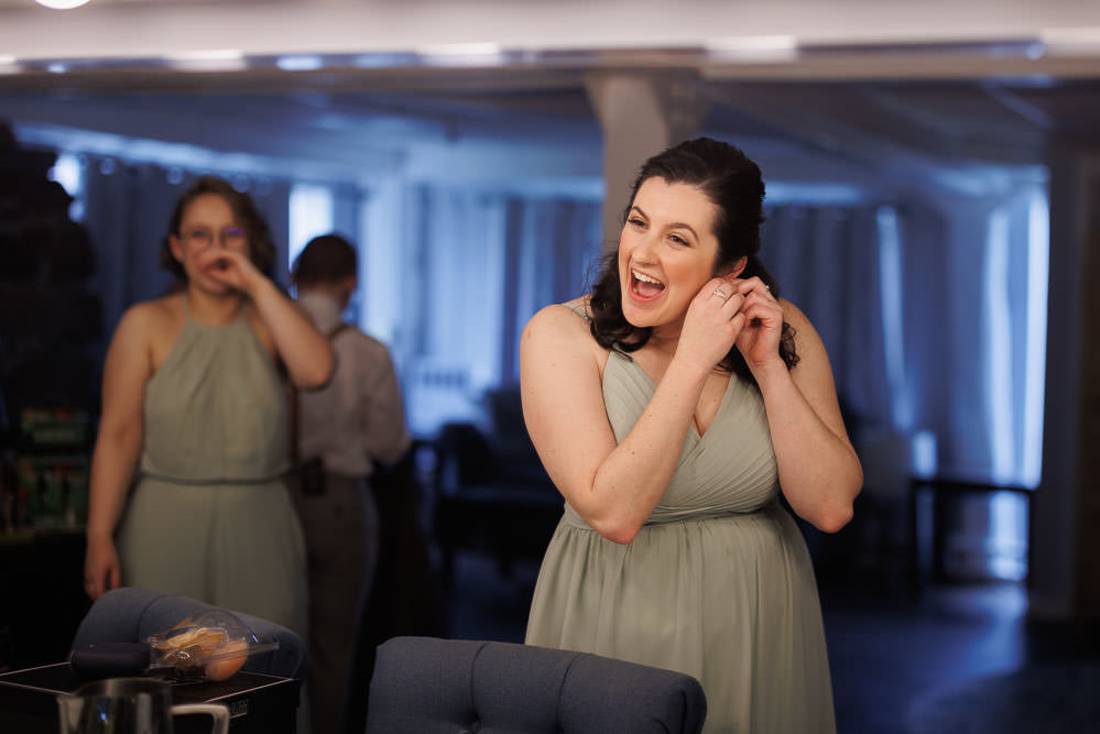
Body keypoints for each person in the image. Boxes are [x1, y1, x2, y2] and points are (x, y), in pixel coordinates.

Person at [521, 138, 862, 733]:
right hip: (616, 613)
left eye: (678, 239)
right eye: (638, 223)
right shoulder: (558, 336)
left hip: (760, 619)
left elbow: (830, 507)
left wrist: (767, 367)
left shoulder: (785, 329)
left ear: (730, 267)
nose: (642, 254)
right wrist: (692, 361)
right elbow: (614, 513)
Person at [83, 176, 334, 639]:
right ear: (177, 248)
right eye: (200, 234)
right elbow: (117, 435)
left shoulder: (269, 318)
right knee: (165, 670)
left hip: (261, 523)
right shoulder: (144, 324)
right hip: (164, 521)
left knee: (265, 671)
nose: (214, 246)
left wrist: (254, 281)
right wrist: (99, 534)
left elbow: (317, 372)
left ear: (249, 243)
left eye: (230, 234)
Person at [290, 234, 411, 734]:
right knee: (332, 647)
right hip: (341, 504)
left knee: (266, 637)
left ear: (295, 277)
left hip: (272, 496)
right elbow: (390, 445)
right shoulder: (369, 353)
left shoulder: (265, 339)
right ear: (351, 283)